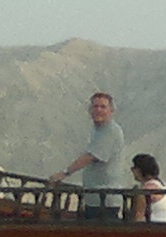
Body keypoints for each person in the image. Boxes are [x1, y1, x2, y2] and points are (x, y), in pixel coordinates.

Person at [48, 91, 128, 219]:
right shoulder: (98, 131)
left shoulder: (111, 131)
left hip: (105, 199)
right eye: (95, 106)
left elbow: (91, 157)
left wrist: (64, 173)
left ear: (111, 110)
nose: (98, 110)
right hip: (94, 197)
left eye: (103, 107)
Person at [131, 153, 166, 224]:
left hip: (151, 227)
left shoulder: (146, 190)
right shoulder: (161, 185)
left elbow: (139, 215)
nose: (132, 171)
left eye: (134, 168)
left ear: (140, 170)